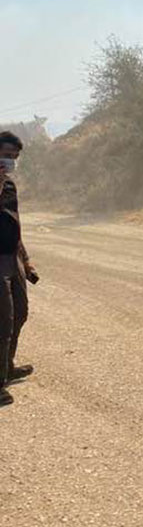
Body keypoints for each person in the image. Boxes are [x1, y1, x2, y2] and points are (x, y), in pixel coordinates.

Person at [0, 131, 38, 406]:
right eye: (5, 155)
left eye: (14, 157)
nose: (10, 161)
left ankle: (7, 366)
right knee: (2, 322)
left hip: (12, 259)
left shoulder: (10, 186)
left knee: (19, 314)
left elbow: (14, 225)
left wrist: (26, 260)